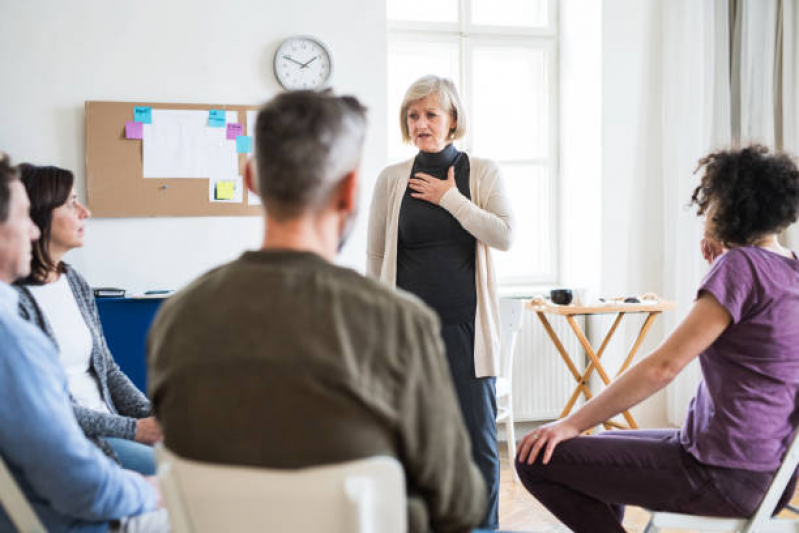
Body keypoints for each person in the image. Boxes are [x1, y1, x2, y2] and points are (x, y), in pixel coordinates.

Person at [147, 90, 487, 533]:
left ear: (251, 179)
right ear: (349, 192)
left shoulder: (178, 316)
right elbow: (459, 504)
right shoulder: (398, 322)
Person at [514, 145, 799, 533]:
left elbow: (663, 368)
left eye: (711, 203)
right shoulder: (790, 270)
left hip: (721, 472)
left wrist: (570, 423)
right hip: (769, 475)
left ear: (731, 206)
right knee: (597, 454)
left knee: (535, 457)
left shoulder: (741, 267)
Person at [366, 74, 513, 528]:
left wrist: (451, 198)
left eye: (431, 113)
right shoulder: (393, 179)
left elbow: (503, 235)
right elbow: (375, 255)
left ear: (452, 119)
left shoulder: (481, 171)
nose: (421, 123)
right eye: (413, 115)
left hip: (468, 332)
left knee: (477, 444)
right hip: (408, 335)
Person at [0, 152, 168, 532]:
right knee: (196, 483)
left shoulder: (73, 282)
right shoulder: (14, 328)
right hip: (93, 445)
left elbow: (106, 367)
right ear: (40, 216)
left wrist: (153, 416)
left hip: (108, 436)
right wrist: (134, 430)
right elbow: (63, 441)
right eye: (71, 203)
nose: (85, 212)